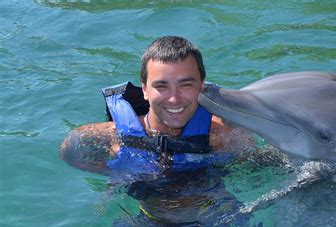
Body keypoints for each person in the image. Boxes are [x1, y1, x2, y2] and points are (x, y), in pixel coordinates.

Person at [61, 36, 252, 174]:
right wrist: (114, 174)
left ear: (201, 86)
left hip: (214, 217)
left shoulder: (224, 137)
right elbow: (70, 151)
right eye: (161, 86)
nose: (174, 99)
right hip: (140, 220)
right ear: (145, 89)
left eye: (185, 85)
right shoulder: (112, 136)